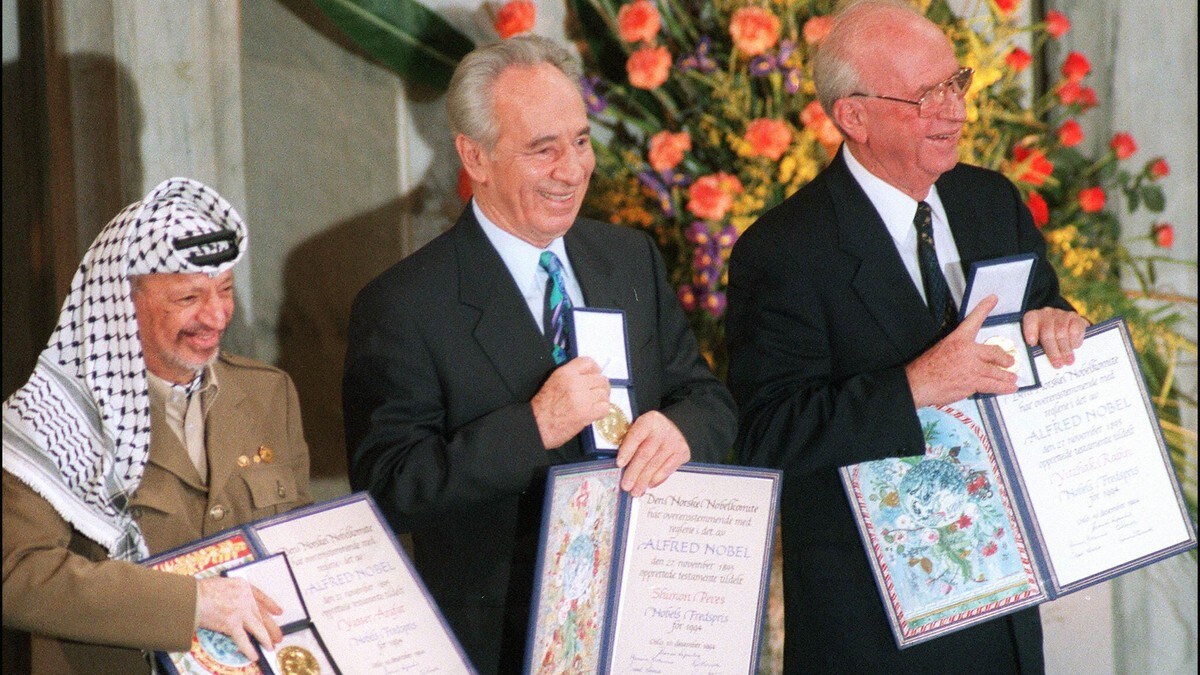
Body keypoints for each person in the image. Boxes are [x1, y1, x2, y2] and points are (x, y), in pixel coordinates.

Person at [343, 35, 737, 674]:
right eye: (542, 149)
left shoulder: (628, 258)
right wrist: (533, 428)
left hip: (646, 620)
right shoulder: (404, 304)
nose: (572, 170)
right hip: (502, 642)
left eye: (580, 141)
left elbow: (707, 398)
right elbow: (387, 490)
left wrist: (680, 430)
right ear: (475, 156)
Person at [726, 2, 1088, 672]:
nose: (954, 111)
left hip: (1004, 606)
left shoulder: (991, 203)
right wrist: (914, 386)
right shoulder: (783, 251)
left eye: (956, 84)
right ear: (853, 117)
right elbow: (766, 433)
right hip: (872, 629)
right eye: (926, 96)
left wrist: (1059, 326)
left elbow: (1043, 309)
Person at [2, 178, 312, 673]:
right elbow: (18, 575)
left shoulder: (269, 393)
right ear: (122, 302)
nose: (217, 316)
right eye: (189, 297)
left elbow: (299, 542)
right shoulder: (50, 418)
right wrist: (193, 604)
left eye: (226, 290)